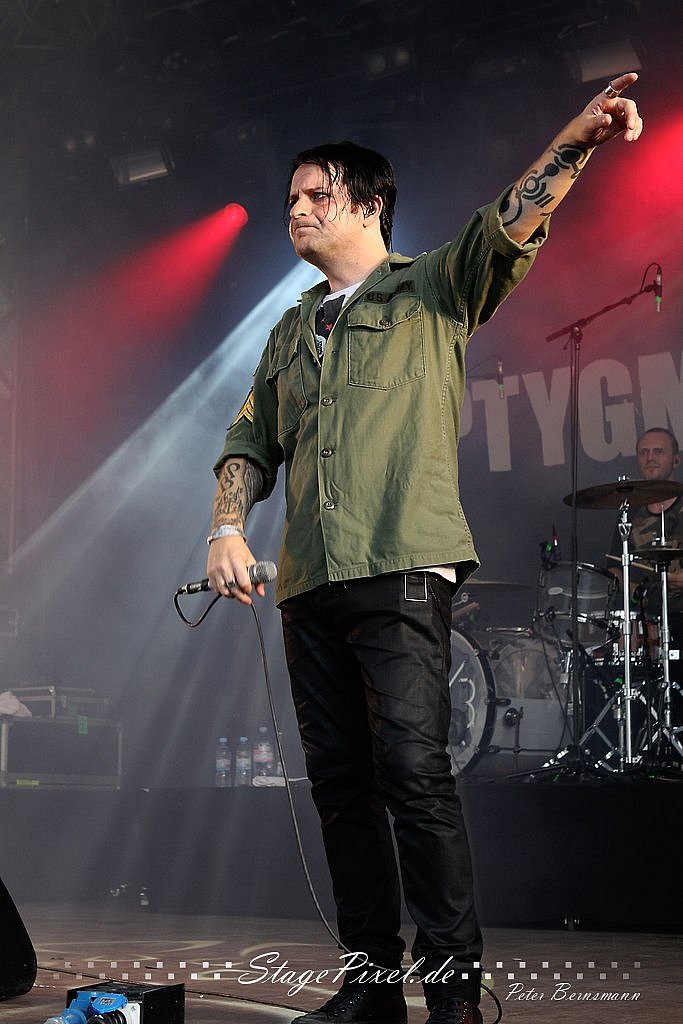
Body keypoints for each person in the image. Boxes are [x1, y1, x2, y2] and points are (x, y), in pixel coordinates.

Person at [206, 74, 643, 1024]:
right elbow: (248, 440)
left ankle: (451, 990)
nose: (296, 209)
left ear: (370, 206)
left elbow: (510, 221)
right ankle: (369, 988)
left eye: (316, 195)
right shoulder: (288, 330)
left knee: (412, 771)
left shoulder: (432, 287)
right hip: (309, 581)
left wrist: (577, 138)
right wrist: (226, 528)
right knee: (340, 786)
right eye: (289, 199)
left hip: (402, 565)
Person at [610, 428, 683, 669]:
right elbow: (615, 568)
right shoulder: (629, 513)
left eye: (658, 451)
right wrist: (631, 599)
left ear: (675, 459)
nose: (650, 457)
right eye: (644, 452)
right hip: (648, 624)